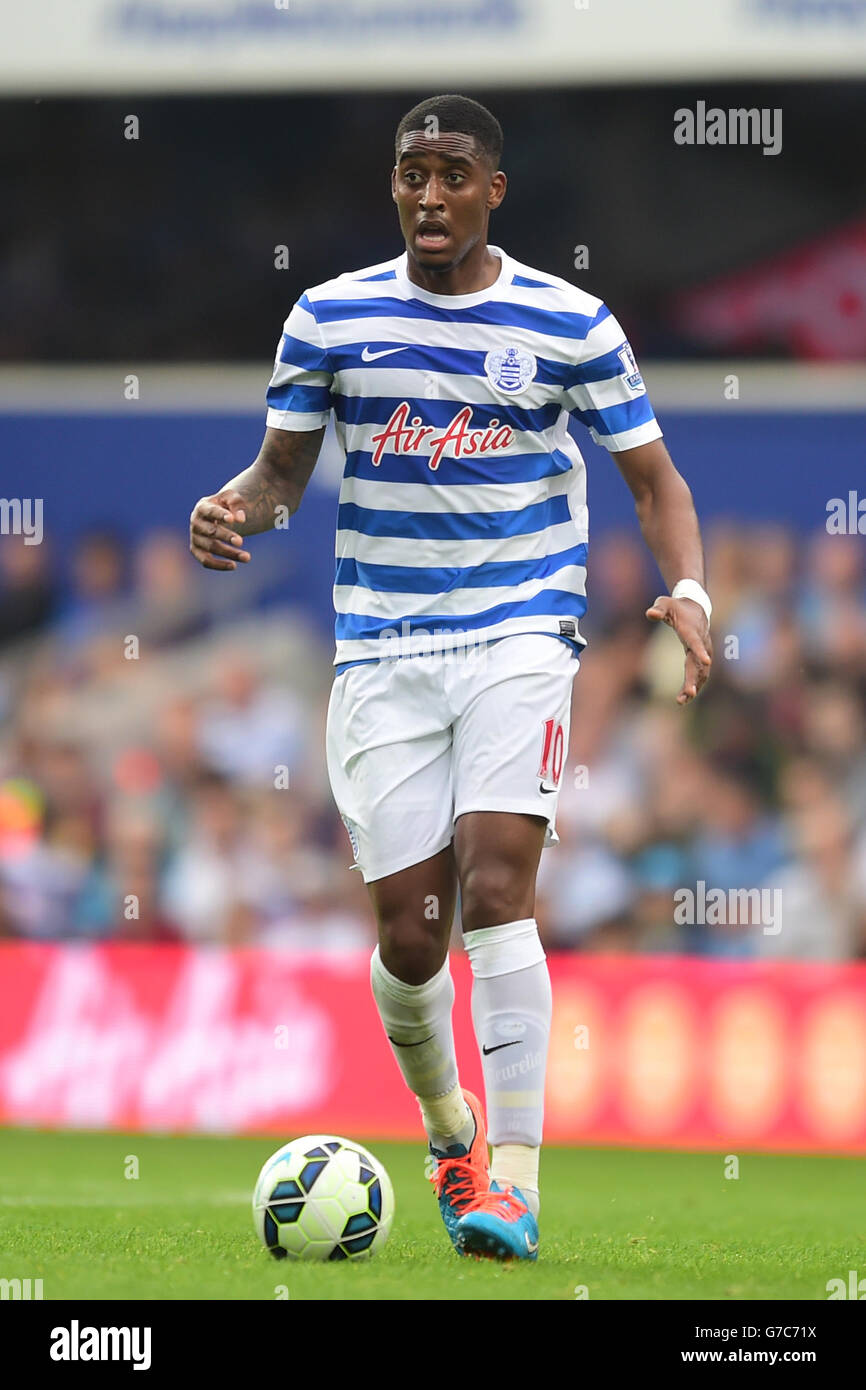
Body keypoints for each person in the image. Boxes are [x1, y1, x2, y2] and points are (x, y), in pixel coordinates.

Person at [189, 93, 712, 1261]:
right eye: (411, 174)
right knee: (412, 939)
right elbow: (281, 474)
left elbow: (653, 484)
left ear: (493, 191)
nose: (429, 194)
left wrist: (688, 589)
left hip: (520, 633)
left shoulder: (570, 323)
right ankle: (448, 1128)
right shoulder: (327, 318)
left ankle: (513, 1187)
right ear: (394, 189)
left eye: (452, 174)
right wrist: (235, 509)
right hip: (381, 652)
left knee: (496, 889)